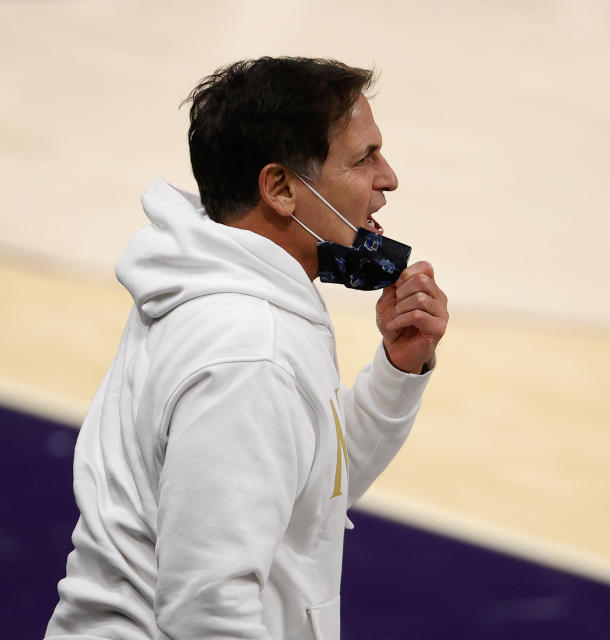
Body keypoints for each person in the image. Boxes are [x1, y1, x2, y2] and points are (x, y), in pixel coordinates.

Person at [45, 57, 448, 640]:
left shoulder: (217, 286)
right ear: (281, 187)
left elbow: (305, 495)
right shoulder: (249, 351)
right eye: (364, 159)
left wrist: (397, 370)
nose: (388, 178)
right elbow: (207, 609)